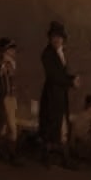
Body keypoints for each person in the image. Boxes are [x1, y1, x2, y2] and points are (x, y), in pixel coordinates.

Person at [36, 21, 76, 162]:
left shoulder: (61, 52)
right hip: (51, 95)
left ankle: (64, 158)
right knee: (51, 125)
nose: (57, 39)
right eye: (54, 37)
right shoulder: (47, 54)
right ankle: (49, 157)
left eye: (59, 37)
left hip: (60, 94)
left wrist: (73, 78)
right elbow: (54, 75)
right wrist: (71, 81)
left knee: (62, 125)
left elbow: (62, 74)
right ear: (50, 38)